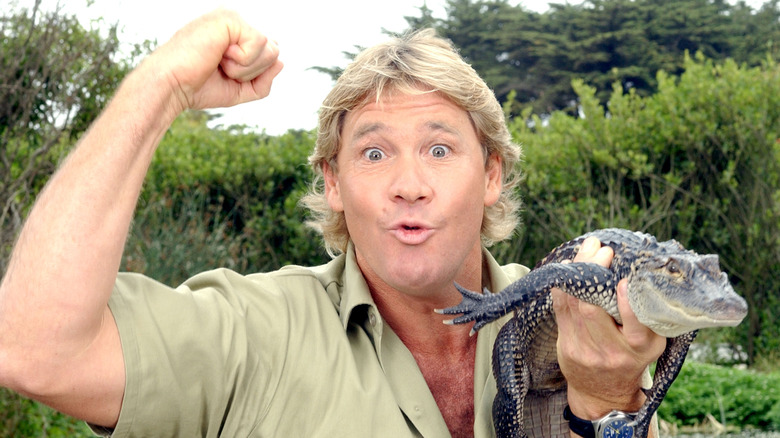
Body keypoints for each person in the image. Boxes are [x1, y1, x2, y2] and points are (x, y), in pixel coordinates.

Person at [0, 9, 666, 438]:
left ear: (491, 174)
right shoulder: (248, 334)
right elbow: (32, 349)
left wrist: (604, 403)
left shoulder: (575, 313)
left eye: (440, 148)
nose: (409, 186)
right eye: (374, 152)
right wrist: (162, 84)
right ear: (333, 182)